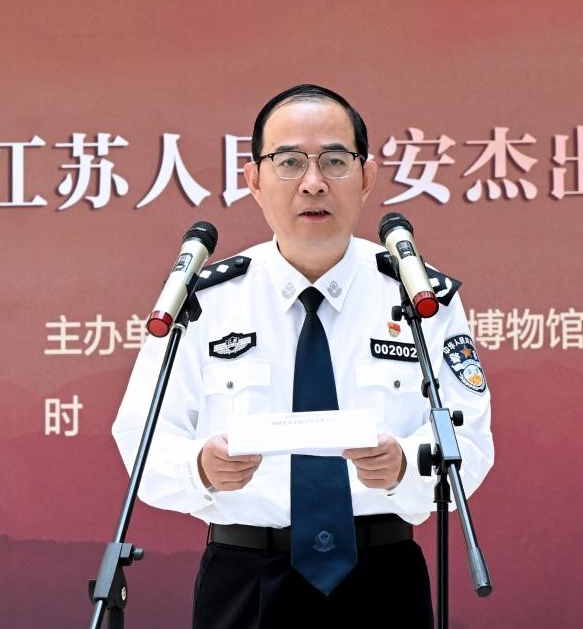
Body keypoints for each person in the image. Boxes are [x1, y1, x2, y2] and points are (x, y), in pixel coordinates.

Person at [112, 85, 493, 628]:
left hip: (384, 578)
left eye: (335, 161)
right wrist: (200, 469)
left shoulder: (419, 298)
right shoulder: (203, 302)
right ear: (254, 180)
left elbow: (470, 444)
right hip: (244, 580)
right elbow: (142, 441)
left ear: (366, 177)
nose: (313, 182)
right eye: (289, 162)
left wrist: (405, 465)